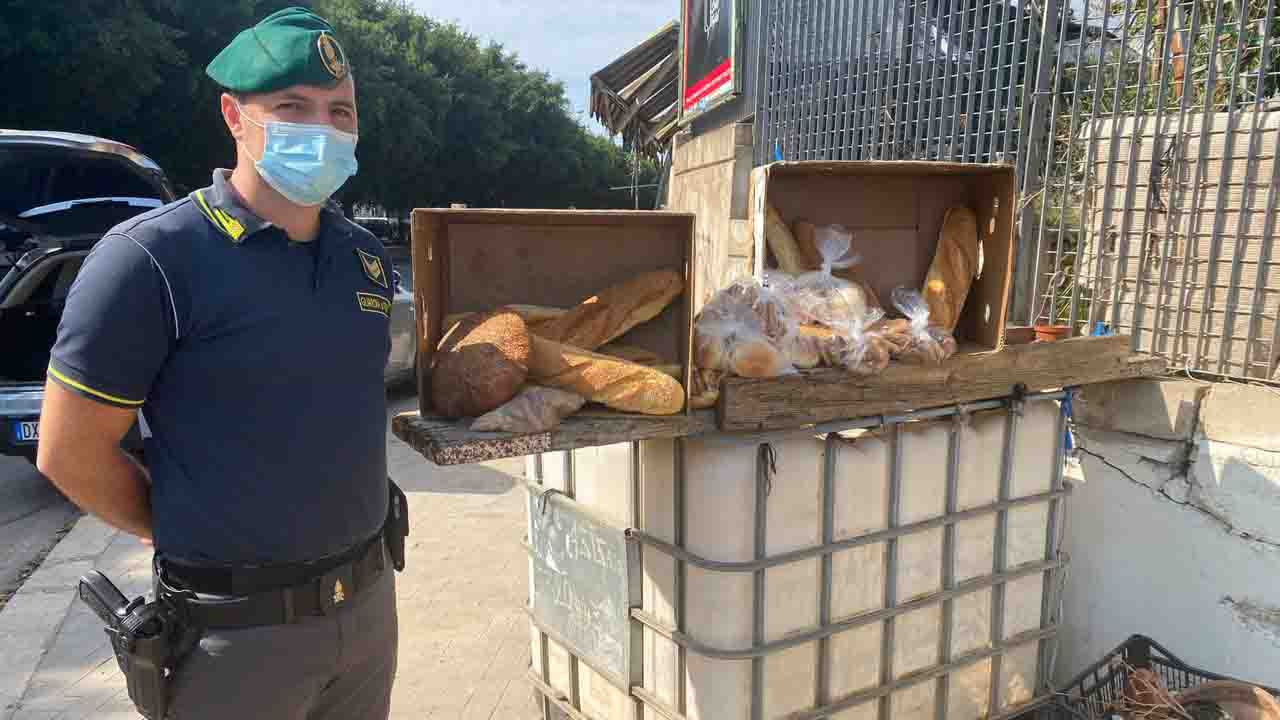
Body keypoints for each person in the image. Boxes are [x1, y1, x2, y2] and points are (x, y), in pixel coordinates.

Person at [37, 8, 402, 718]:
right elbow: (68, 452)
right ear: (234, 115)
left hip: (367, 611)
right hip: (233, 641)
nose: (322, 128)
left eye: (340, 111)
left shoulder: (364, 258)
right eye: (292, 108)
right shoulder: (152, 259)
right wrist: (190, 527)